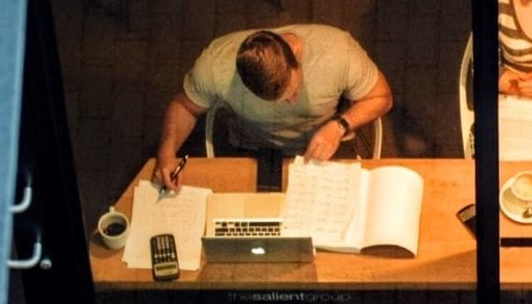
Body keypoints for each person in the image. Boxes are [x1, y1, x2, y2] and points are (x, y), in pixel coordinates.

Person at [151, 25, 392, 191]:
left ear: (296, 56)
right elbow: (184, 106)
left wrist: (340, 126)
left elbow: (382, 97)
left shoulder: (339, 53)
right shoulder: (215, 65)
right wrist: (166, 152)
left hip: (327, 145)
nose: (292, 102)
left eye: (295, 90)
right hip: (252, 150)